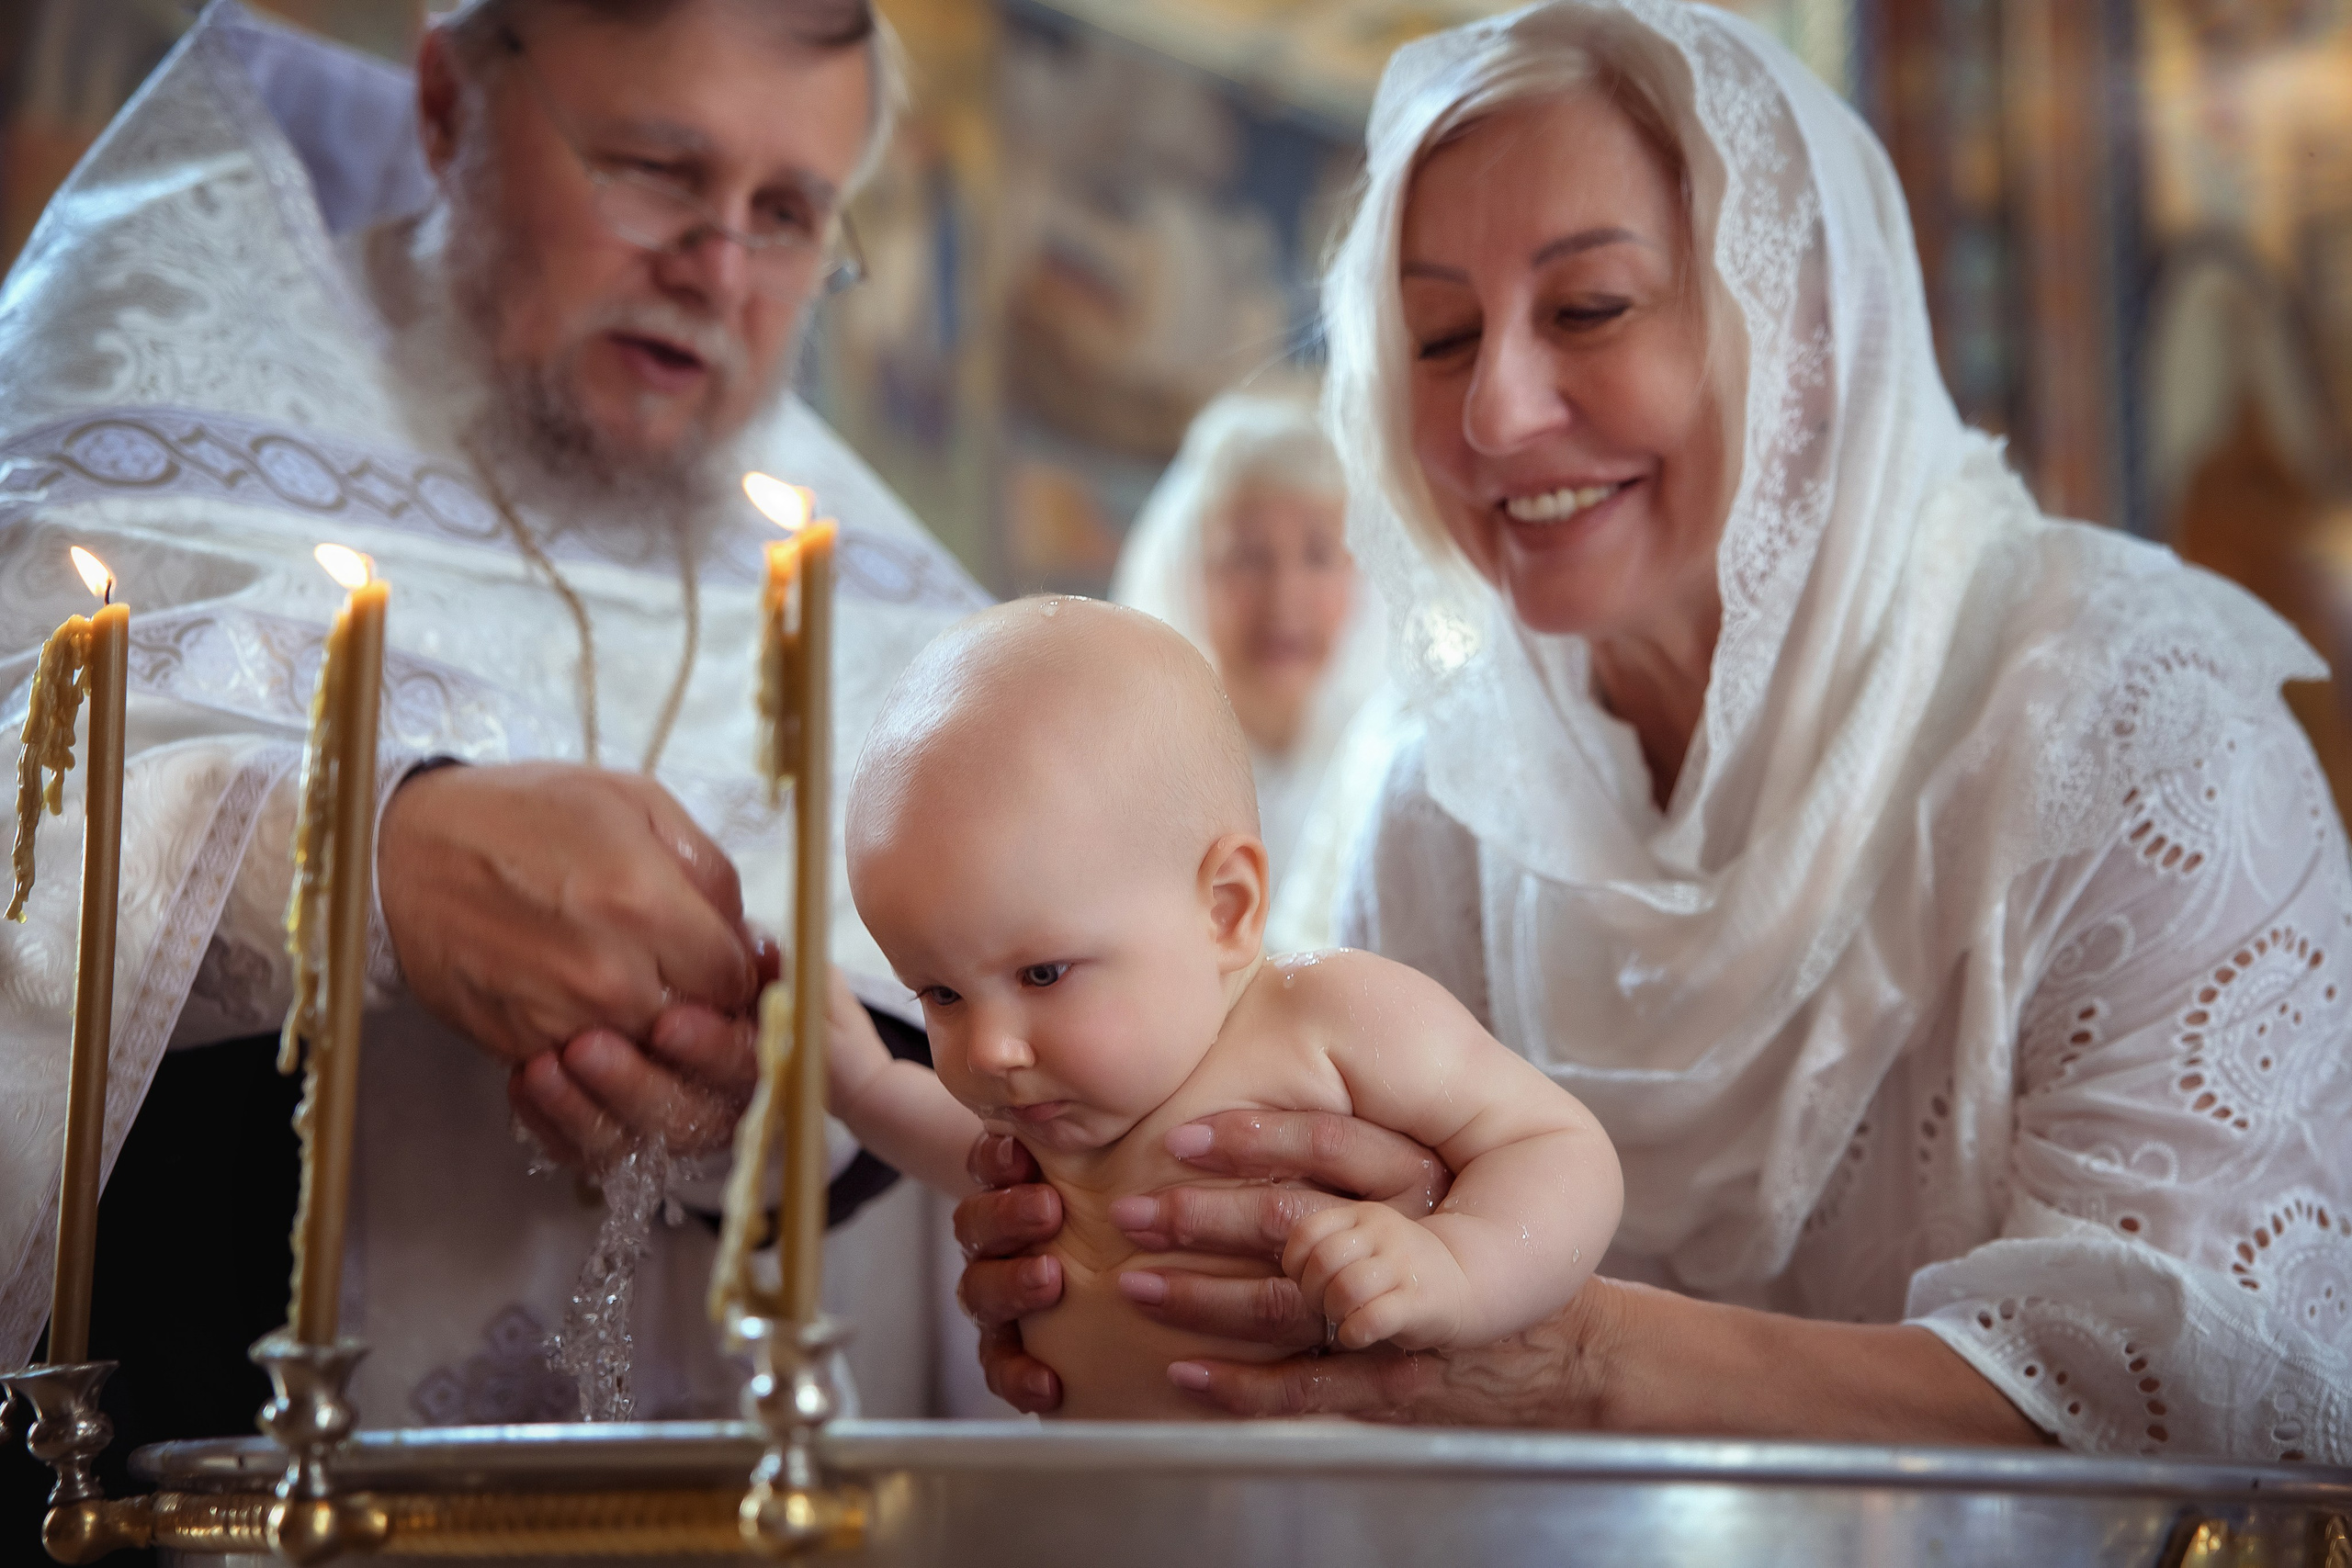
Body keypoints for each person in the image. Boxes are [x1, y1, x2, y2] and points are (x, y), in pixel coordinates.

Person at [952, 0, 2352, 1461]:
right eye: (1439, 335)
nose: (1495, 413)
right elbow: (1315, 1304)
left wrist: (1573, 1359)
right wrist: (1106, 1227)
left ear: (1807, 327)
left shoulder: (2130, 722)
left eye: (1590, 308)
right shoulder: (1434, 797)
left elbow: (2204, 1407)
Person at [0, 0, 979, 1450]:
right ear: (450, 105)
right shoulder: (152, 405)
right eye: (653, 167)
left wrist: (779, 1094)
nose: (717, 269)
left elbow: (967, 1052)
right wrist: (359, 859)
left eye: (786, 213)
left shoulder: (884, 593)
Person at [821, 598, 1620, 1417]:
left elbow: (1556, 1144)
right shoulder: (1053, 1109)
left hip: (1339, 1497)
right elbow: (965, 1151)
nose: (989, 1049)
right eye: (942, 993)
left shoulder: (1328, 1017)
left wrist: (1455, 1261)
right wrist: (865, 1087)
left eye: (1043, 973)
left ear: (1226, 908)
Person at [1110, 390, 1396, 950]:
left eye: (1318, 555)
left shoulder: (1384, 761)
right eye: (1247, 558)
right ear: (1187, 572)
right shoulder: (1130, 772)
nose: (1284, 600)